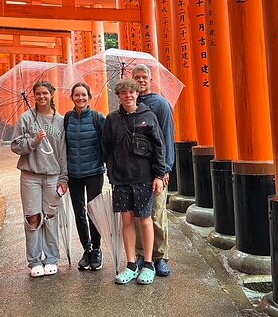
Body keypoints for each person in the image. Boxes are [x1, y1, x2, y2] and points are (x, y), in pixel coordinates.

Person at [101, 79, 166, 285]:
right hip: (121, 178)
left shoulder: (149, 116)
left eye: (132, 92)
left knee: (145, 219)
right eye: (123, 93)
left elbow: (159, 147)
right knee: (126, 220)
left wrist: (159, 175)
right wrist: (111, 171)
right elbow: (106, 148)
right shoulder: (112, 119)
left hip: (144, 176)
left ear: (138, 94)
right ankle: (130, 264)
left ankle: (148, 264)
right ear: (118, 96)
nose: (128, 95)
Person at [11, 81, 68, 278]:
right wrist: (34, 141)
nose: (42, 97)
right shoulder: (26, 119)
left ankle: (51, 257)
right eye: (38, 94)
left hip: (53, 176)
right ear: (33, 96)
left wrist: (64, 178)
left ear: (52, 95)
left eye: (45, 93)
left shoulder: (60, 121)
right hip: (30, 175)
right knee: (33, 217)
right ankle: (34, 260)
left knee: (50, 217)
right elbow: (16, 146)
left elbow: (63, 152)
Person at [132, 63, 175, 277]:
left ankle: (161, 256)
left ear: (150, 80)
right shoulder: (129, 103)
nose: (140, 81)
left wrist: (164, 169)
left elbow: (167, 138)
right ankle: (141, 254)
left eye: (143, 77)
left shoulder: (160, 104)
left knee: (157, 214)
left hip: (157, 169)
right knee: (140, 215)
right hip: (136, 171)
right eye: (136, 77)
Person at [64, 82, 106, 271]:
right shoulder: (67, 118)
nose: (80, 98)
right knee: (79, 213)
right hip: (74, 173)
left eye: (83, 95)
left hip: (94, 172)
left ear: (89, 97)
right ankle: (86, 249)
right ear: (72, 98)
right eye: (76, 95)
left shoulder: (98, 118)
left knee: (93, 212)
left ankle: (97, 249)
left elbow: (107, 143)